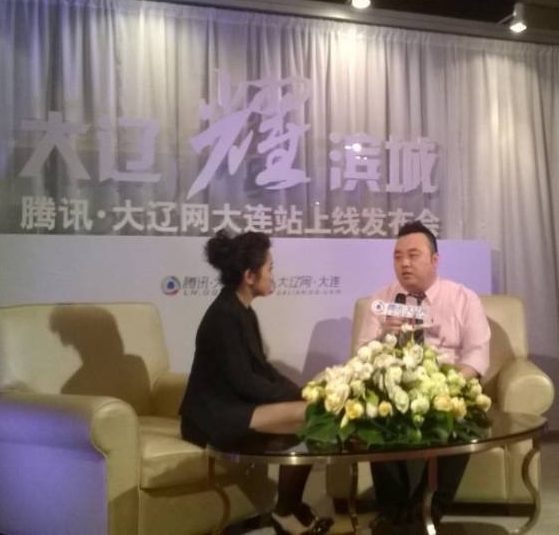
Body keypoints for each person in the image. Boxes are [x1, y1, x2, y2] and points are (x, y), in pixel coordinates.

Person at [179, 230, 333, 535]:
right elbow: (245, 383)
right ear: (249, 276)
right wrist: (301, 396)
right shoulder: (224, 316)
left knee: (312, 411)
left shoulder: (241, 310)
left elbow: (262, 370)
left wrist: (303, 391)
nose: (273, 275)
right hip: (213, 417)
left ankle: (288, 508)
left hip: (233, 406)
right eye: (269, 268)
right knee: (311, 415)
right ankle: (286, 511)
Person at [355, 221, 491, 530]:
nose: (404, 263)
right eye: (398, 256)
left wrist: (449, 386)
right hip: (395, 386)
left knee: (462, 412)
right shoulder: (381, 300)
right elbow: (361, 354)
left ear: (434, 260)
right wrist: (384, 337)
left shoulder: (463, 298)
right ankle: (392, 512)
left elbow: (477, 355)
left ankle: (425, 513)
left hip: (448, 382)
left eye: (413, 255)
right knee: (376, 412)